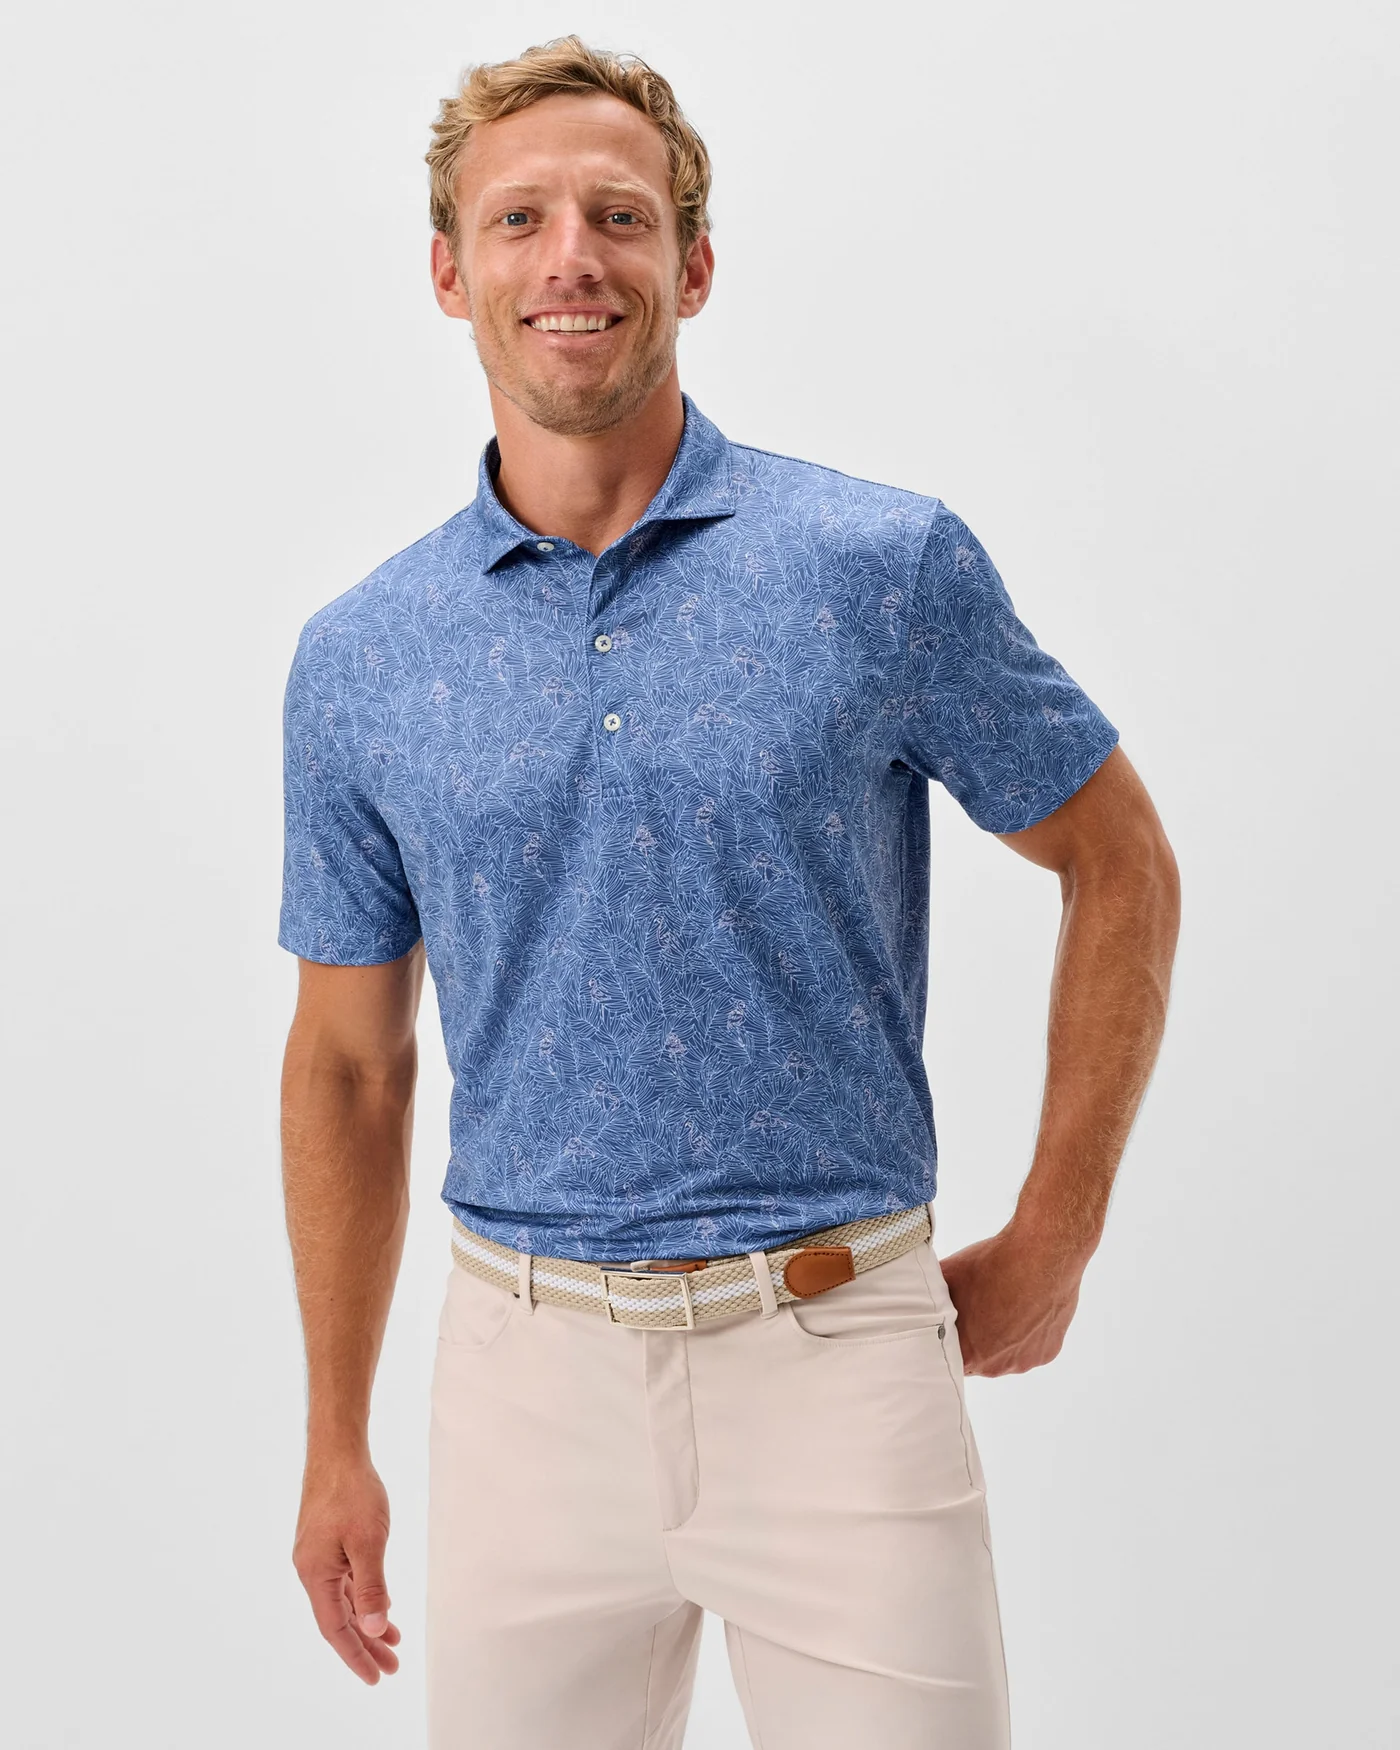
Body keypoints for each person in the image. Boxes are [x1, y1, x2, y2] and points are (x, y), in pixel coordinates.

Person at [277, 34, 1181, 1750]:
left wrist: (1060, 1227)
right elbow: (348, 1063)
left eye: (619, 216)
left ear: (690, 265)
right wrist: (336, 1430)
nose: (570, 259)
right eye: (519, 218)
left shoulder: (876, 567)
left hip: (839, 1363)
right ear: (448, 272)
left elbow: (1118, 858)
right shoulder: (364, 659)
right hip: (523, 1378)